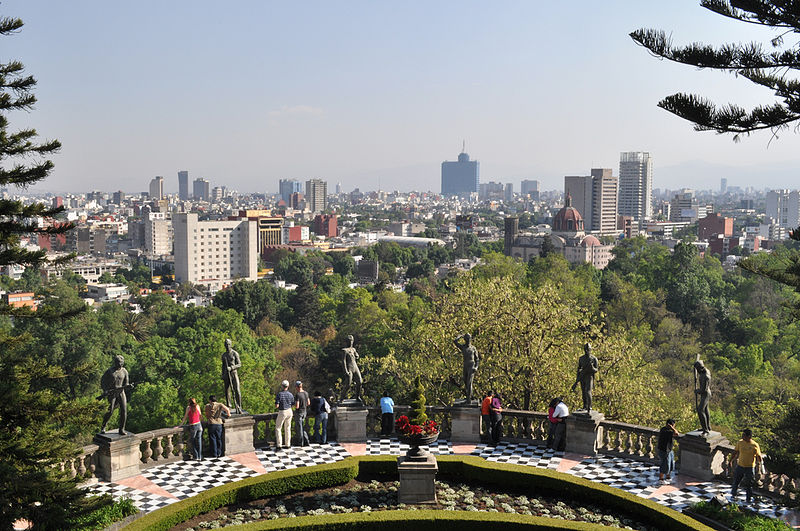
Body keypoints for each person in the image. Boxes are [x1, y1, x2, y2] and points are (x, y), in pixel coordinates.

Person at [99, 354, 131, 435]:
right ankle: (103, 426)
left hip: (121, 392)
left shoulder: (124, 371)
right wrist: (105, 390)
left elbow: (126, 384)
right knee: (110, 411)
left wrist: (129, 386)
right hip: (112, 393)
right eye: (117, 362)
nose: (119, 364)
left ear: (122, 363)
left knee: (124, 410)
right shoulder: (110, 371)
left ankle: (121, 429)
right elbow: (102, 381)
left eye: (120, 362)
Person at [730, 428, 763, 504]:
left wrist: (759, 464)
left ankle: (748, 498)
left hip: (750, 467)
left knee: (749, 484)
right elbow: (735, 452)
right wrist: (730, 461)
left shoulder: (754, 445)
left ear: (749, 436)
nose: (742, 436)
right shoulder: (740, 443)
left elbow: (759, 457)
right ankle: (733, 494)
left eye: (744, 435)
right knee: (736, 481)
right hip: (740, 465)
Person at [571, 342, 599, 412]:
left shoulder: (594, 359)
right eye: (585, 349)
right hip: (582, 377)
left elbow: (596, 370)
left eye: (588, 349)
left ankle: (589, 407)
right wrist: (577, 380)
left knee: (588, 391)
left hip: (589, 377)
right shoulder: (581, 358)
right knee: (583, 392)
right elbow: (579, 369)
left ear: (590, 349)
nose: (587, 351)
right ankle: (585, 406)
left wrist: (592, 368)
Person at [453, 333, 480, 402]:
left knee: (469, 382)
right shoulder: (463, 347)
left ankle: (468, 398)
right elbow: (455, 341)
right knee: (465, 381)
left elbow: (477, 359)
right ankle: (470, 396)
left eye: (469, 338)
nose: (468, 340)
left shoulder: (473, 348)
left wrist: (476, 367)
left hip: (471, 364)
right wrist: (460, 336)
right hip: (465, 365)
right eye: (466, 338)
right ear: (465, 339)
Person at [222, 339, 243, 414]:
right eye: (226, 345)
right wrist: (223, 374)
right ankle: (229, 406)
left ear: (231, 345)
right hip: (226, 374)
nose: (227, 346)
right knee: (227, 391)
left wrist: (231, 368)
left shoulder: (235, 353)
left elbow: (239, 364)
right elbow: (223, 366)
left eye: (228, 344)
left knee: (237, 390)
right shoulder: (224, 355)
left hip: (234, 373)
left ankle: (239, 406)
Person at [657, 419, 681, 483]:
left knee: (670, 465)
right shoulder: (665, 430)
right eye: (673, 425)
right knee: (664, 465)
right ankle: (661, 479)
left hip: (669, 450)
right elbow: (677, 433)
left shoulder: (668, 431)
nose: (674, 427)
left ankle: (668, 477)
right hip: (664, 451)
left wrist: (671, 428)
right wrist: (672, 428)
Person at [342, 335, 363, 402]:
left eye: (351, 341)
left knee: (360, 382)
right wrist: (345, 371)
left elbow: (357, 355)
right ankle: (341, 398)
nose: (350, 342)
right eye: (349, 341)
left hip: (355, 367)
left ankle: (357, 396)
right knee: (348, 384)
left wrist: (357, 355)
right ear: (346, 342)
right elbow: (343, 361)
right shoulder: (344, 350)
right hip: (349, 367)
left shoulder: (353, 349)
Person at [274, 380, 294, 449]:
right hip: (289, 411)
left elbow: (277, 405)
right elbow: (292, 403)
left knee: (278, 428)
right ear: (288, 386)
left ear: (282, 386)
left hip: (282, 411)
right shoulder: (290, 394)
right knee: (288, 428)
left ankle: (279, 445)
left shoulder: (280, 394)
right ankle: (288, 444)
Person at [694, 360, 711, 435]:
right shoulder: (704, 371)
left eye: (697, 369)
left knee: (700, 410)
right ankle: (708, 426)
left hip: (706, 394)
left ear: (700, 368)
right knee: (706, 410)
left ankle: (705, 430)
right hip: (705, 393)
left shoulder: (705, 376)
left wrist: (697, 391)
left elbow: (704, 390)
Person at [294, 381, 310, 446]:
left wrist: (294, 405)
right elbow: (308, 403)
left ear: (297, 387)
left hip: (299, 412)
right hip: (305, 412)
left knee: (299, 428)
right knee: (302, 427)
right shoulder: (306, 393)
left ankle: (301, 442)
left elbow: (297, 406)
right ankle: (307, 440)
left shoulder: (298, 395)